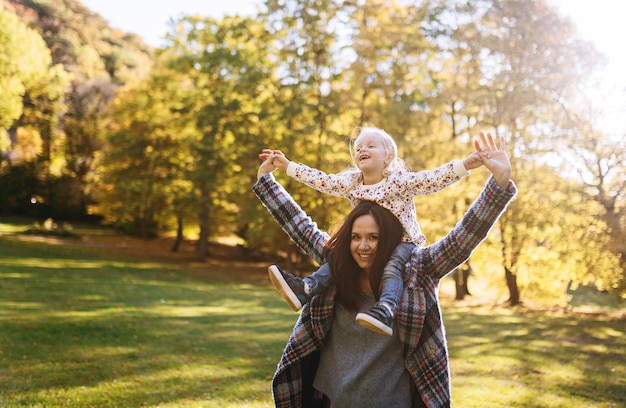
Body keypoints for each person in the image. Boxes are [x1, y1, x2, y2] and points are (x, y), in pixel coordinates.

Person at [253, 131, 517, 407]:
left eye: (373, 237)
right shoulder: (338, 264)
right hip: (328, 400)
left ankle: (384, 309)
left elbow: (463, 237)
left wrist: (498, 184)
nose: (363, 246)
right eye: (355, 237)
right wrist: (266, 181)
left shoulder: (418, 271)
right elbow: (300, 225)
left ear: (389, 238)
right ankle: (304, 288)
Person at [261, 126, 484, 336]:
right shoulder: (351, 182)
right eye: (358, 148)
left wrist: (464, 165)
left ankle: (386, 309)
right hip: (369, 243)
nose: (362, 150)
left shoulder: (399, 181)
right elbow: (321, 180)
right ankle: (307, 289)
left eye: (370, 146)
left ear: (388, 157)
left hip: (403, 242)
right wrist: (288, 166)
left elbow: (431, 179)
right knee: (338, 258)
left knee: (392, 267)